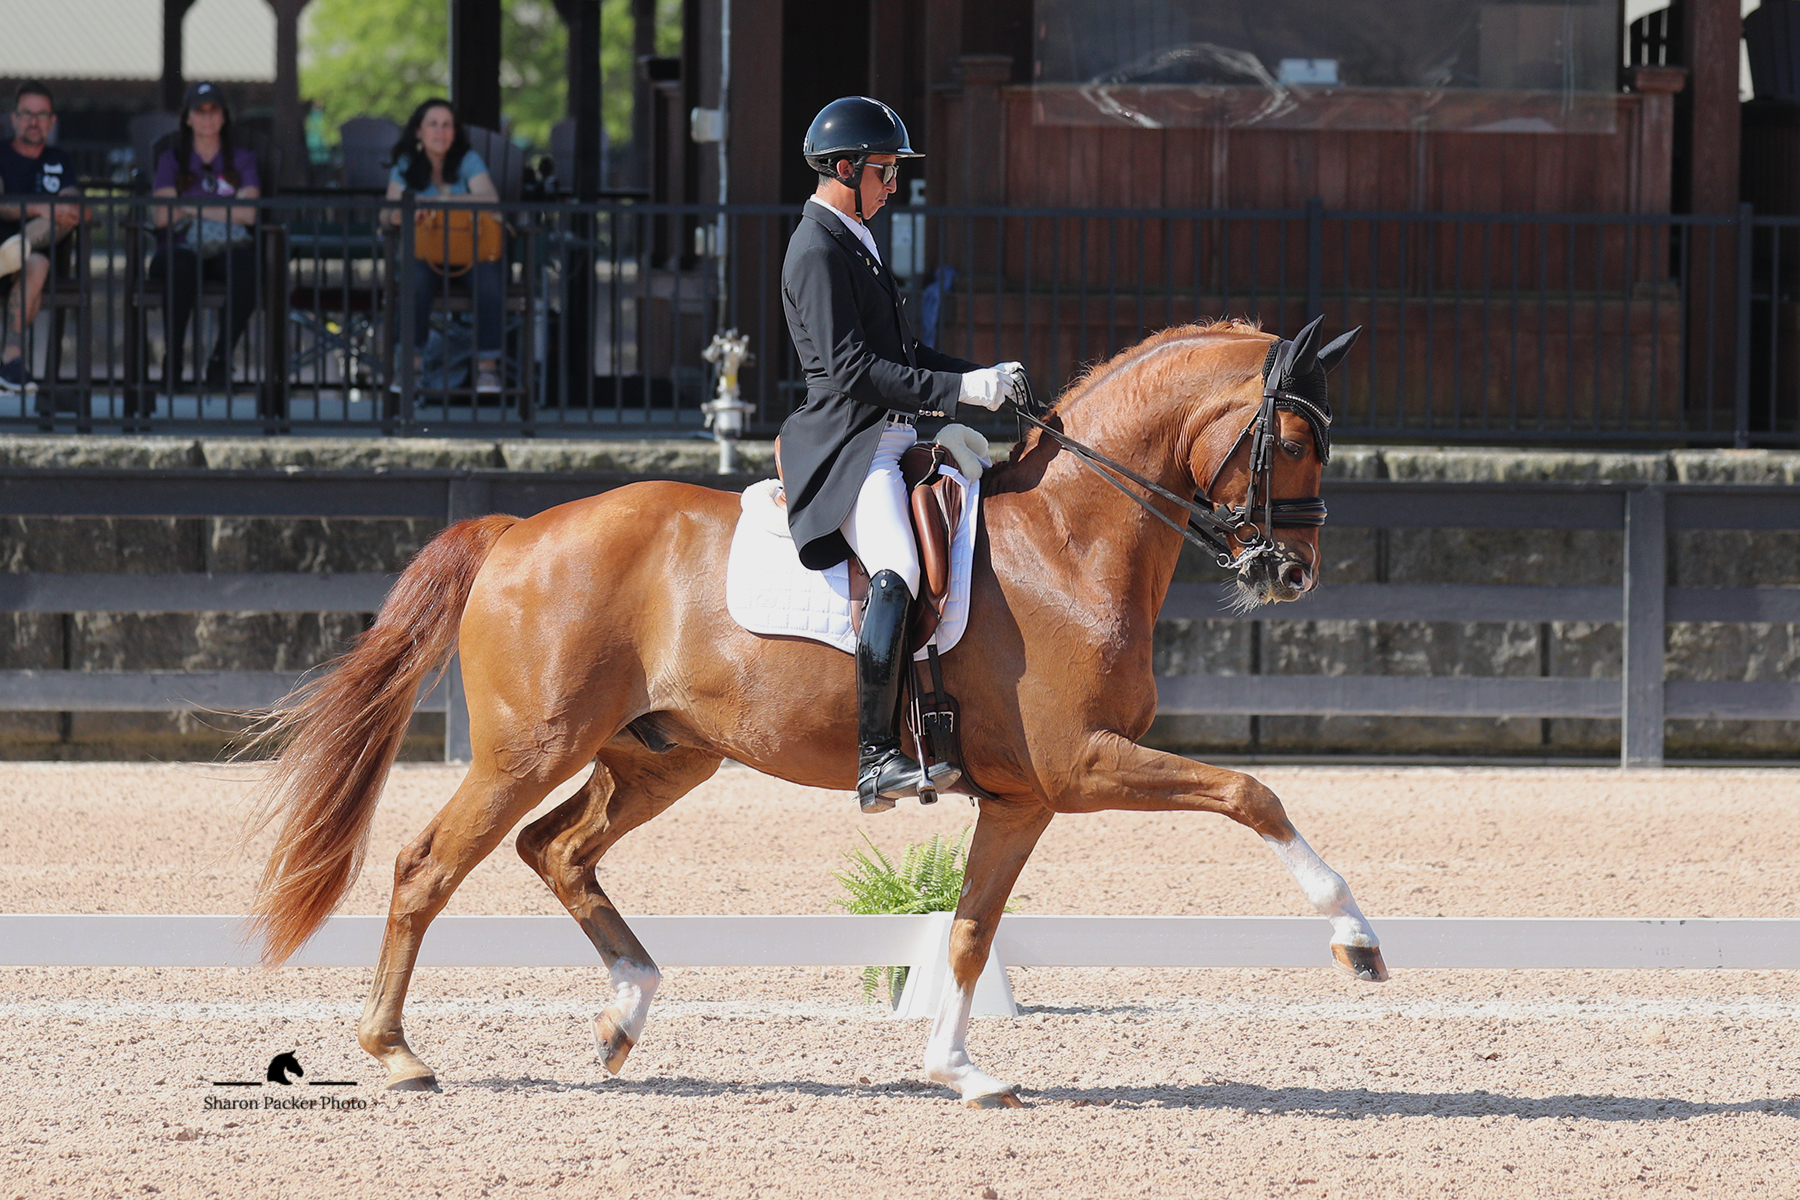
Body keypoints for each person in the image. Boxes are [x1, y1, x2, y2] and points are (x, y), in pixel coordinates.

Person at [778, 96, 1028, 814]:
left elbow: (906, 354)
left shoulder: (857, 236)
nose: (895, 186)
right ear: (846, 168)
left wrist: (986, 382)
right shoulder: (816, 247)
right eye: (886, 172)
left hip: (891, 434)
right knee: (899, 569)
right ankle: (875, 757)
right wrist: (958, 391)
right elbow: (853, 369)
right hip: (852, 447)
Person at [382, 98, 504, 394]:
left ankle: (487, 368)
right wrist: (403, 214)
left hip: (470, 249)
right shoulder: (406, 166)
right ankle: (409, 367)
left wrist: (437, 202)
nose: (441, 131)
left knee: (489, 281)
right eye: (433, 124)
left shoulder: (468, 160)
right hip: (425, 251)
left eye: (447, 125)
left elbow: (489, 199)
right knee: (416, 280)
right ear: (418, 132)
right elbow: (386, 214)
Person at [149, 81, 262, 390]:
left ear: (224, 117)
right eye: (200, 111)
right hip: (179, 248)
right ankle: (173, 361)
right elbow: (162, 216)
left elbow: (249, 214)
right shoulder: (170, 160)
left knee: (248, 265)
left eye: (214, 111)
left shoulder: (243, 159)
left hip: (225, 247)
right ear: (188, 118)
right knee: (181, 265)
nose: (207, 118)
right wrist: (224, 209)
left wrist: (189, 207)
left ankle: (220, 360)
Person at [0, 81, 86, 394]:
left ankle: (10, 358)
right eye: (27, 114)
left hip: (41, 263)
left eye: (42, 114)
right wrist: (40, 206)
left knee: (36, 262)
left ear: (52, 121)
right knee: (49, 225)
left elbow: (76, 208)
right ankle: (12, 361)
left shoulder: (60, 160)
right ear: (14, 119)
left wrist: (69, 207)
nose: (34, 121)